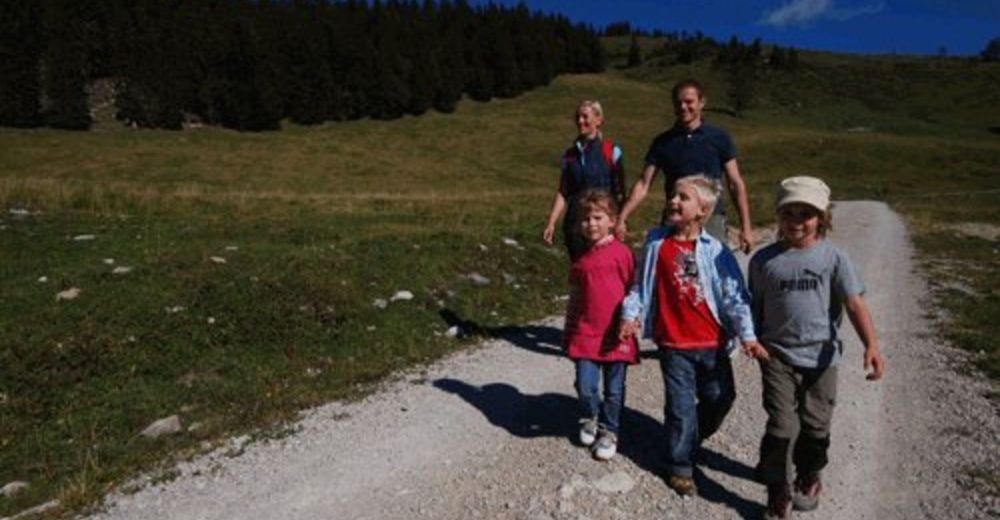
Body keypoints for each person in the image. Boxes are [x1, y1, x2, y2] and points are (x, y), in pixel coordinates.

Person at [619, 175, 768, 496]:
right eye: (673, 195)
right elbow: (638, 287)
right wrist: (630, 317)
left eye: (682, 198)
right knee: (680, 406)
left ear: (702, 211)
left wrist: (748, 335)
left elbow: (734, 294)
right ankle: (680, 464)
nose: (673, 201)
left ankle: (690, 435)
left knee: (721, 398)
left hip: (713, 344)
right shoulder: (657, 244)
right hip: (674, 345)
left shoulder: (715, 251)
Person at [748, 176, 886, 519]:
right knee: (782, 425)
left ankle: (809, 475)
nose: (796, 221)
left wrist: (871, 345)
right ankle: (777, 489)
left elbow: (854, 304)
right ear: (779, 216)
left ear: (822, 218)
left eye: (805, 214)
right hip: (777, 354)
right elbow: (752, 306)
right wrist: (749, 339)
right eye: (789, 212)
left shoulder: (834, 258)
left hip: (822, 357)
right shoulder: (764, 261)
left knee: (815, 426)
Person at [614, 78, 754, 253]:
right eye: (678, 102)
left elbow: (735, 183)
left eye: (689, 102)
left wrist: (746, 227)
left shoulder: (719, 138)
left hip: (710, 217)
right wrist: (622, 216)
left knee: (713, 273)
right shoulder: (663, 142)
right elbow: (644, 183)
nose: (683, 107)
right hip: (675, 216)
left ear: (701, 103)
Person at [563, 190, 639, 461]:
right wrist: (568, 333)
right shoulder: (581, 262)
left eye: (597, 217)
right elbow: (574, 301)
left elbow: (635, 289)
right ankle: (590, 416)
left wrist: (632, 319)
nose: (591, 224)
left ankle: (609, 431)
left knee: (614, 389)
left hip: (616, 334)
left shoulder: (623, 254)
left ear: (612, 220)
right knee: (585, 386)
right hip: (585, 334)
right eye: (585, 219)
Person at [544, 100, 626, 260]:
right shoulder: (570, 155)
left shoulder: (611, 151)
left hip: (602, 225)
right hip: (576, 225)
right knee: (581, 272)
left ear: (598, 120)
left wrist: (620, 221)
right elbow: (564, 190)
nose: (580, 121)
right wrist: (551, 222)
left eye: (585, 116)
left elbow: (620, 191)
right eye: (577, 117)